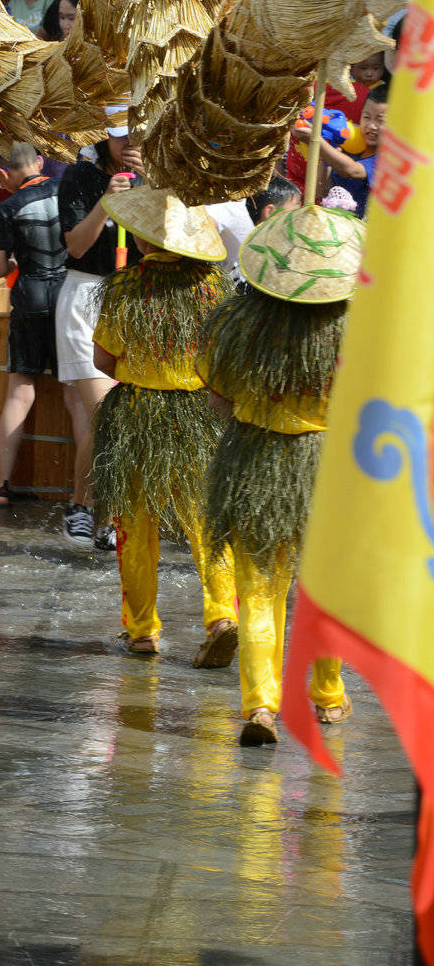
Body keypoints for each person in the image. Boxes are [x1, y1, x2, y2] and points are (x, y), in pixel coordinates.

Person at [201, 206, 359, 745]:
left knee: (259, 590)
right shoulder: (361, 333)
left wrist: (254, 416)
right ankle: (329, 696)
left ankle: (261, 706)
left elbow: (218, 396)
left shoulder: (237, 324)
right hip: (330, 468)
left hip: (253, 458)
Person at [90, 188, 235, 664]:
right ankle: (221, 617)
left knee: (134, 528)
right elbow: (222, 361)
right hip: (198, 415)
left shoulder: (124, 287)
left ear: (146, 240)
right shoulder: (214, 288)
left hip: (135, 414)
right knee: (205, 524)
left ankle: (142, 631)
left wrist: (145, 371)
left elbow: (104, 360)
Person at [55, 123, 138, 550]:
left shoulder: (155, 180)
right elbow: (76, 245)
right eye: (123, 135)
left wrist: (150, 191)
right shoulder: (80, 176)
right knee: (107, 413)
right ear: (106, 137)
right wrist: (107, 202)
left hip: (133, 301)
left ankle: (105, 511)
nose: (131, 144)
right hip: (87, 296)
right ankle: (83, 507)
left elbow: (161, 243)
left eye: (139, 135)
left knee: (118, 415)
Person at [0, 143, 70, 513]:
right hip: (69, 299)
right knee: (76, 394)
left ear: (1, 175)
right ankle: (85, 493)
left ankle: (0, 486)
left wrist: (17, 259)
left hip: (30, 301)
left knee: (20, 392)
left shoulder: (7, 207)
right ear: (39, 163)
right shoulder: (66, 190)